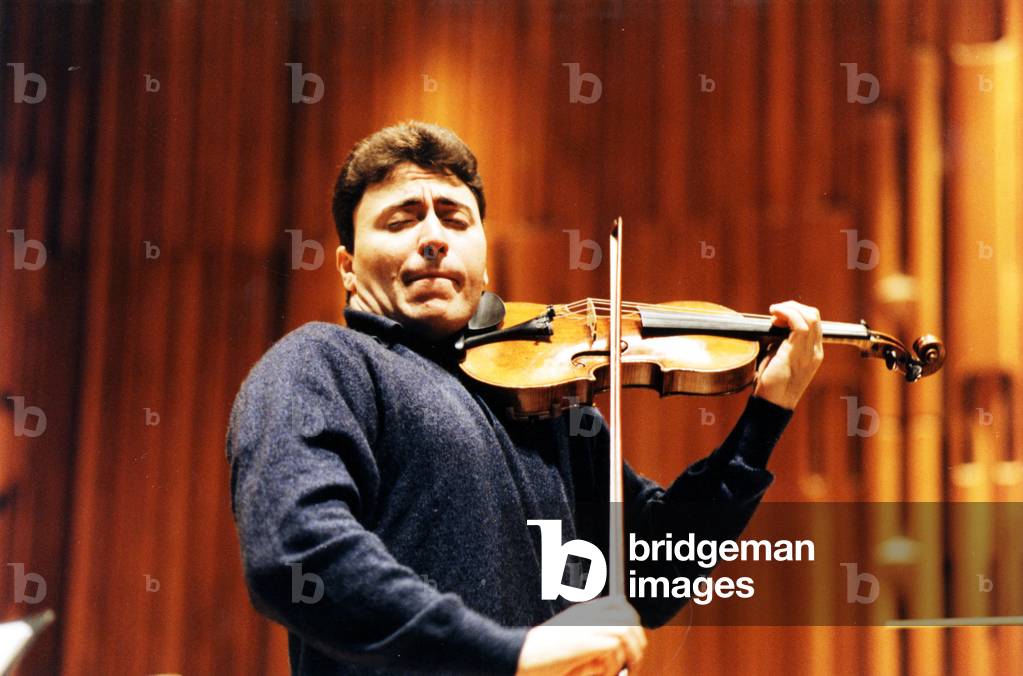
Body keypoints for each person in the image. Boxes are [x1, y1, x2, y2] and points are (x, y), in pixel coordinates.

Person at [226, 121, 824, 675]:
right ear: (348, 268)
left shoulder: (549, 403)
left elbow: (652, 571)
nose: (434, 236)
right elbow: (298, 552)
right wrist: (509, 653)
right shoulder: (323, 364)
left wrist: (764, 420)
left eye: (455, 219)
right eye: (401, 219)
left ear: (484, 258)